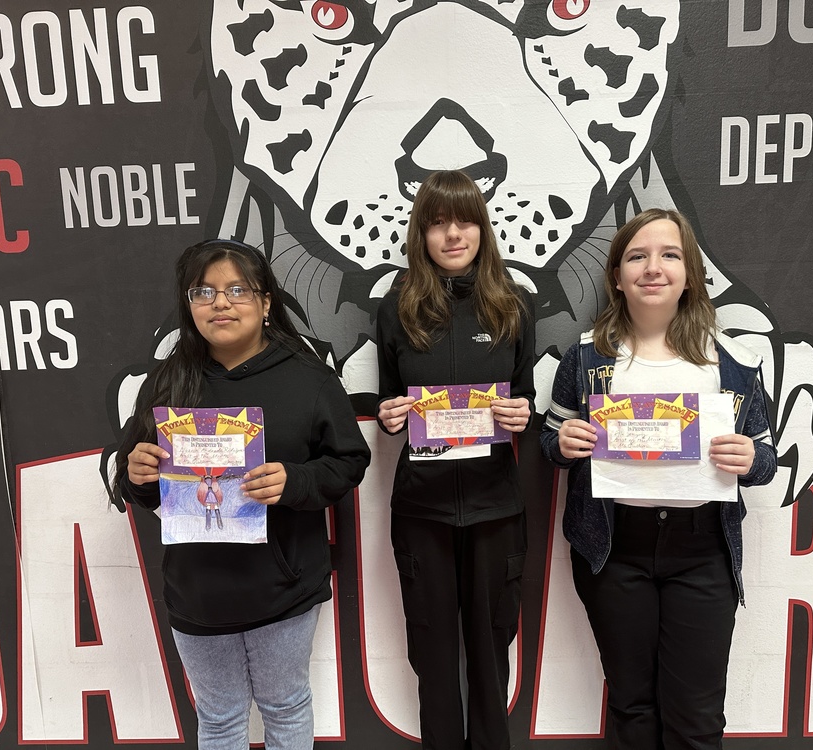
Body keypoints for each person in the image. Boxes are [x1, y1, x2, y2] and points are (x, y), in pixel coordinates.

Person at [113, 239, 371, 749]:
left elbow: (349, 462)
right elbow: (134, 482)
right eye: (204, 291)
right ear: (188, 304)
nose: (221, 303)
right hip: (199, 589)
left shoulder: (310, 379)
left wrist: (294, 481)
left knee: (286, 706)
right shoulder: (166, 382)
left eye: (237, 289)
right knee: (221, 719)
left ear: (266, 300)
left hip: (284, 583)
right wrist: (137, 474)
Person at [539, 209, 778, 750]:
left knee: (695, 718)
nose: (654, 267)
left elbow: (765, 462)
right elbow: (550, 442)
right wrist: (565, 443)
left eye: (670, 255)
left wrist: (749, 457)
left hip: (703, 551)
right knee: (631, 707)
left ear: (690, 273)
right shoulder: (585, 357)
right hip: (613, 547)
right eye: (637, 256)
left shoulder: (734, 361)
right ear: (617, 277)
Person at [376, 170, 536, 750]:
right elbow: (390, 399)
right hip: (422, 512)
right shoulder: (396, 309)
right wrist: (392, 416)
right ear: (421, 233)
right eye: (437, 222)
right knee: (433, 658)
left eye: (464, 219)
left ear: (482, 229)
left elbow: (526, 400)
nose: (451, 234)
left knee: (492, 657)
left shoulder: (514, 305)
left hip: (496, 508)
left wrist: (521, 414)